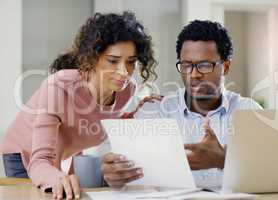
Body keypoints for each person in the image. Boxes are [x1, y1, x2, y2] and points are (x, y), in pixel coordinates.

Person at [0, 11, 158, 199]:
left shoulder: (126, 91)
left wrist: (136, 115)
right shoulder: (59, 87)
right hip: (25, 152)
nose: (124, 72)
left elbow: (100, 119)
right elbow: (40, 161)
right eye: (113, 61)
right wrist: (55, 176)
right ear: (92, 58)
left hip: (65, 151)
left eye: (131, 62)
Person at [100, 20, 262, 188]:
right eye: (186, 65)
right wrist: (114, 176)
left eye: (204, 65)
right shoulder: (155, 111)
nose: (194, 74)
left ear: (226, 66)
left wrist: (223, 160)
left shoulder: (249, 112)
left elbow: (270, 173)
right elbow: (126, 174)